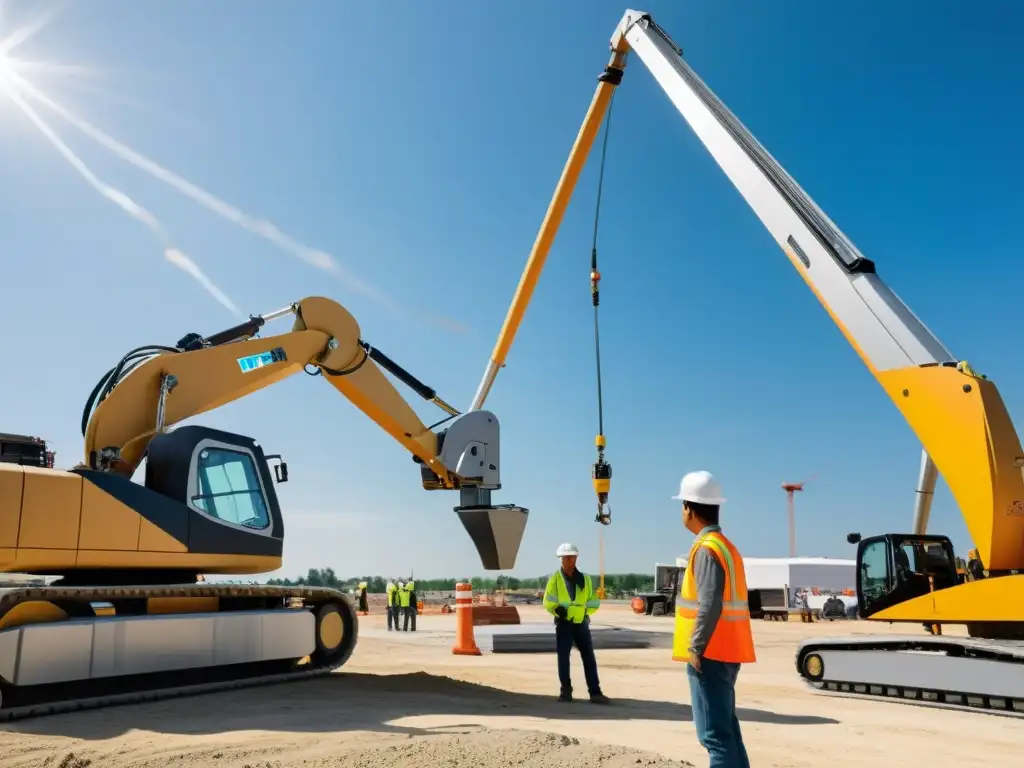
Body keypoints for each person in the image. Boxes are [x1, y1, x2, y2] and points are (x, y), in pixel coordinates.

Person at [672, 470, 755, 768]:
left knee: (714, 736)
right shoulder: (726, 547)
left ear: (690, 509)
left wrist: (696, 647)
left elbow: (709, 603)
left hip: (709, 653)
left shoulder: (706, 550)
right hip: (726, 650)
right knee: (727, 730)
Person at [543, 542, 610, 704]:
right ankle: (565, 691)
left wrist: (585, 613)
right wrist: (556, 609)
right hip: (564, 623)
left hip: (581, 623)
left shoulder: (585, 579)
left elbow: (593, 602)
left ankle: (595, 692)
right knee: (563, 658)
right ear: (561, 559)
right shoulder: (555, 579)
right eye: (567, 558)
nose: (570, 561)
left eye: (572, 557)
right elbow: (548, 600)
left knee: (589, 657)